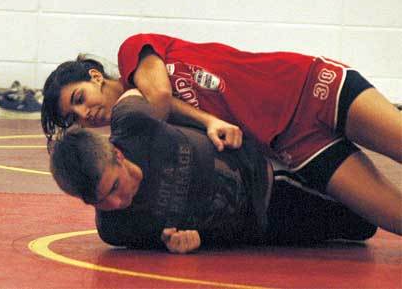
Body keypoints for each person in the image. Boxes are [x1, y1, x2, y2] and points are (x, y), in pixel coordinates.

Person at [41, 33, 402, 235]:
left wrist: (207, 120)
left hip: (306, 86)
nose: (84, 113)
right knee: (393, 218)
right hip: (294, 146)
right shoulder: (141, 139)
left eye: (78, 98)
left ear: (94, 77)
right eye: (74, 117)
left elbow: (161, 97)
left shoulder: (132, 52)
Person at [49, 91, 377, 253]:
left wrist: (209, 120)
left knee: (368, 212)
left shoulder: (131, 121)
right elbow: (169, 250)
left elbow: (150, 82)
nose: (118, 202)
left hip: (270, 168)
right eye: (101, 201)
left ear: (118, 155)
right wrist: (190, 242)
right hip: (261, 225)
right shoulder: (116, 230)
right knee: (362, 227)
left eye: (114, 187)